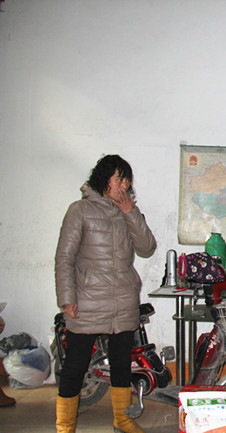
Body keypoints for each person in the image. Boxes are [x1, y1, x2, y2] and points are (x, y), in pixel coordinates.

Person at [55, 155, 157, 433]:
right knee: (76, 366)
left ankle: (123, 420)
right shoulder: (80, 210)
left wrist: (130, 213)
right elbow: (64, 257)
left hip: (123, 301)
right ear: (104, 180)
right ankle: (65, 427)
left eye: (127, 180)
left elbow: (147, 247)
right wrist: (66, 298)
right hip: (87, 301)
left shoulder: (128, 211)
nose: (124, 185)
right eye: (119, 179)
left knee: (122, 364)